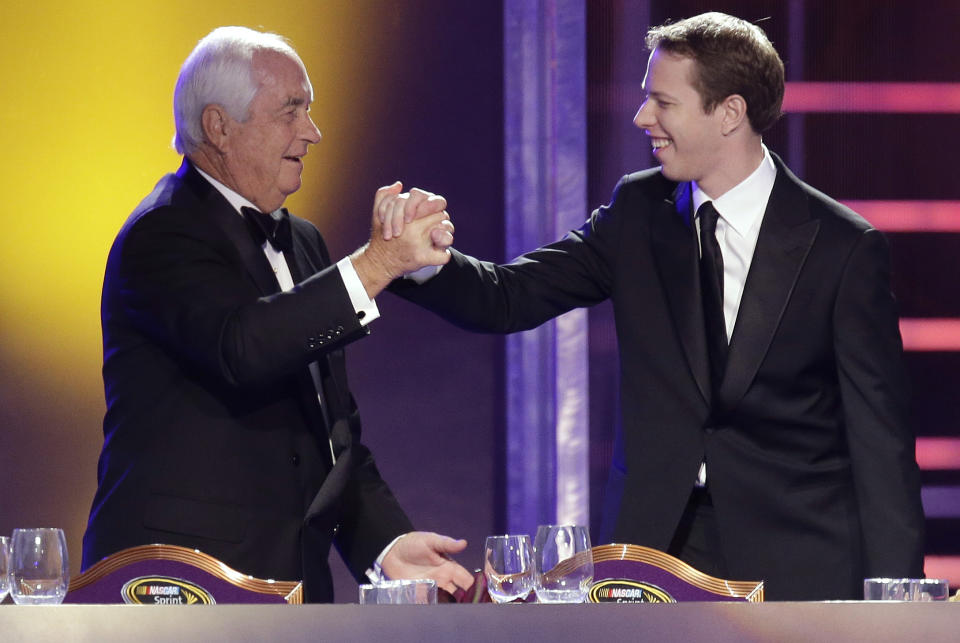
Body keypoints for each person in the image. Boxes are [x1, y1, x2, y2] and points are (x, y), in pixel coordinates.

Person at [387, 12, 924, 600]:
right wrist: (420, 262)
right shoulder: (639, 212)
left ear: (730, 113)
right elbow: (510, 297)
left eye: (662, 102)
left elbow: (882, 445)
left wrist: (898, 601)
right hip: (653, 560)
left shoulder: (842, 247)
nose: (643, 118)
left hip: (799, 565)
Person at [82, 26, 473, 603]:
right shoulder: (162, 234)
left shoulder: (303, 242)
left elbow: (328, 432)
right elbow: (242, 346)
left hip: (290, 592)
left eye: (309, 111)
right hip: (174, 590)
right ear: (219, 126)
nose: (312, 132)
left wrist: (385, 544)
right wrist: (378, 262)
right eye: (291, 111)